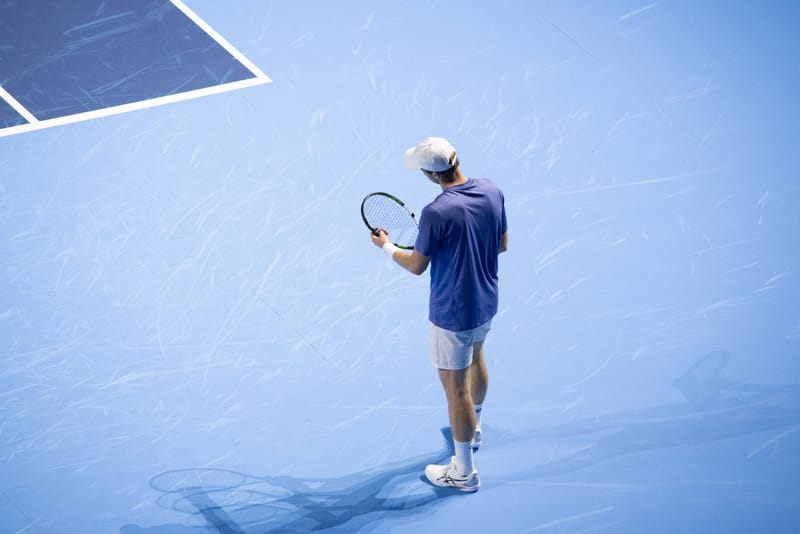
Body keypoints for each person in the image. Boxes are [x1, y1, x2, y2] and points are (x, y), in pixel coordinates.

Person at [370, 137, 508, 492]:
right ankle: (473, 428)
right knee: (477, 358)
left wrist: (385, 246)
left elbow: (416, 265)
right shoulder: (492, 190)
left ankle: (463, 472)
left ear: (432, 175)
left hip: (451, 312)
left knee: (454, 390)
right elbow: (502, 243)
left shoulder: (436, 212)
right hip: (486, 300)